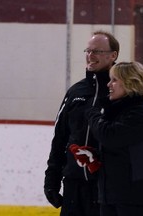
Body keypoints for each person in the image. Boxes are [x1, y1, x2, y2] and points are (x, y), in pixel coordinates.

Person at [44, 30, 120, 216]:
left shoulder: (120, 92)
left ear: (113, 55)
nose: (90, 55)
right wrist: (51, 180)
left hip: (106, 186)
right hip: (74, 184)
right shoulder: (75, 92)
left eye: (97, 51)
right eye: (88, 50)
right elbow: (60, 138)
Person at [85, 61, 143, 216]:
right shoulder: (118, 110)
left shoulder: (141, 113)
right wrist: (94, 156)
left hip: (136, 198)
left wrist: (93, 113)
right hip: (112, 196)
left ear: (130, 82)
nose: (108, 85)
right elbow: (122, 151)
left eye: (114, 80)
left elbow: (109, 136)